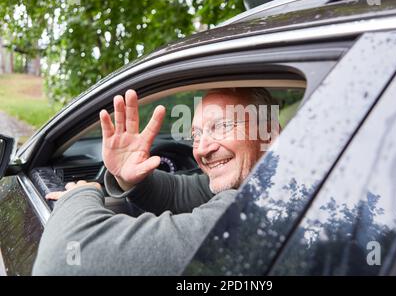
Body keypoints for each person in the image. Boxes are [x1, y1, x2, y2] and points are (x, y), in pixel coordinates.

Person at [32, 87, 280, 275]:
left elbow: (66, 259)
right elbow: (183, 192)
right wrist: (130, 179)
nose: (202, 149)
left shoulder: (251, 213)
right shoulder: (274, 182)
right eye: (196, 134)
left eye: (223, 126)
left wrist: (82, 194)